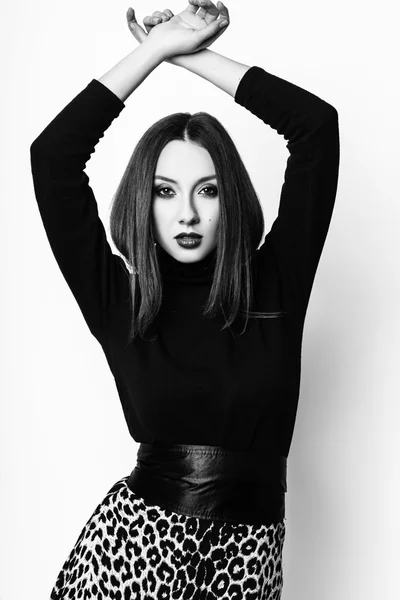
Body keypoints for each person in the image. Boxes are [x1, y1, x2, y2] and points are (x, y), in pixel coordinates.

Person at [29, 0, 340, 597]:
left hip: (249, 561)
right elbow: (53, 158)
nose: (189, 213)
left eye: (209, 191)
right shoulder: (121, 302)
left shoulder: (275, 286)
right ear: (143, 204)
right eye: (166, 192)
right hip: (135, 558)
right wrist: (152, 53)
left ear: (232, 201)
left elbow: (316, 128)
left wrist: (192, 55)